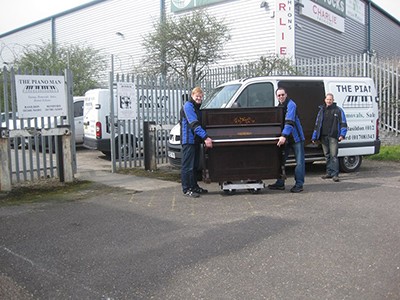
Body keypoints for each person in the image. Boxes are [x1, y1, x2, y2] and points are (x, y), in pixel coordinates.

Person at [268, 87, 305, 193]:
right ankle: (280, 183)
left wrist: (283, 135)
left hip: (296, 138)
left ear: (286, 94)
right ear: (277, 96)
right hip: (287, 139)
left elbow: (289, 122)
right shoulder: (280, 106)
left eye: (282, 95)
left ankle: (299, 184)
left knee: (299, 163)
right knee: (281, 160)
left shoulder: (291, 105)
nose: (281, 97)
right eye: (279, 95)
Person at [180, 87, 213, 198]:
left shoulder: (197, 107)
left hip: (195, 140)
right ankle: (187, 189)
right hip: (188, 140)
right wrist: (206, 137)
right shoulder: (188, 106)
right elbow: (194, 124)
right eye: (197, 96)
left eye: (200, 96)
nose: (199, 98)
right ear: (192, 95)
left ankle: (194, 187)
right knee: (187, 166)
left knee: (194, 166)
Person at [311, 93, 347, 182]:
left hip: (333, 136)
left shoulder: (338, 110)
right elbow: (317, 124)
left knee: (334, 155)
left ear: (333, 100)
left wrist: (342, 135)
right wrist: (314, 136)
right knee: (327, 156)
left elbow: (343, 123)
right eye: (327, 99)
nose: (329, 101)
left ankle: (335, 175)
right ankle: (329, 173)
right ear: (325, 100)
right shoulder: (321, 110)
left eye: (330, 99)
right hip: (323, 136)